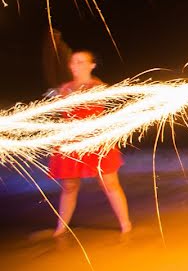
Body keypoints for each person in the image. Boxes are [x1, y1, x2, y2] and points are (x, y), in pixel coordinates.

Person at [48, 50, 132, 236]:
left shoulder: (98, 87)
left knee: (109, 183)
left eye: (80, 62)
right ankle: (60, 228)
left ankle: (125, 224)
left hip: (96, 142)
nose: (74, 65)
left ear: (91, 65)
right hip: (72, 142)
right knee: (69, 186)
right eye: (73, 62)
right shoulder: (64, 89)